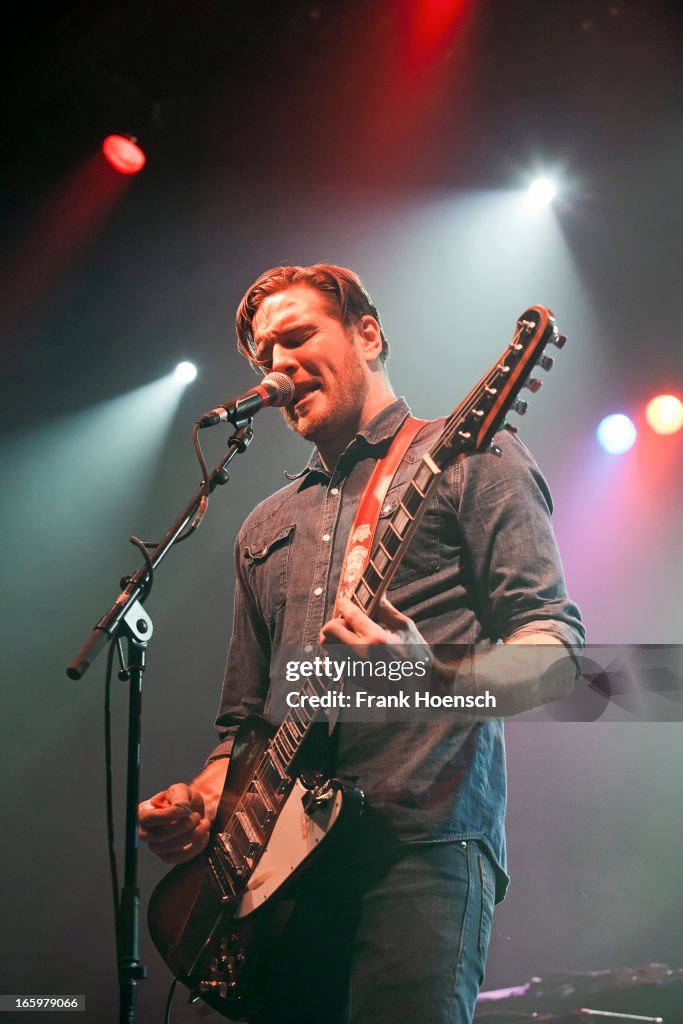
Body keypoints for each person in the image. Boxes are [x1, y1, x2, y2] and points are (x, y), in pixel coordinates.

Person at [138, 264, 584, 1024]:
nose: (277, 364)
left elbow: (557, 655)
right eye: (263, 357)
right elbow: (242, 728)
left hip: (419, 849)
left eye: (296, 336)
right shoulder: (263, 528)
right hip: (279, 882)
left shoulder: (475, 457)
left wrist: (429, 678)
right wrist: (204, 800)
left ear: (367, 333)